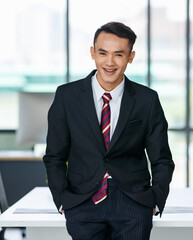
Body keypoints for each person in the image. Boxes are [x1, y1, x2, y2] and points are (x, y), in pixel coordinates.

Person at [43, 21, 175, 240]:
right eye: (103, 53)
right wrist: (62, 200)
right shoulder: (66, 96)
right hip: (82, 202)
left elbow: (162, 159)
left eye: (119, 55)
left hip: (133, 204)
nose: (110, 62)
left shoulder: (147, 100)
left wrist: (155, 200)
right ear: (92, 53)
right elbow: (54, 156)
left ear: (131, 57)